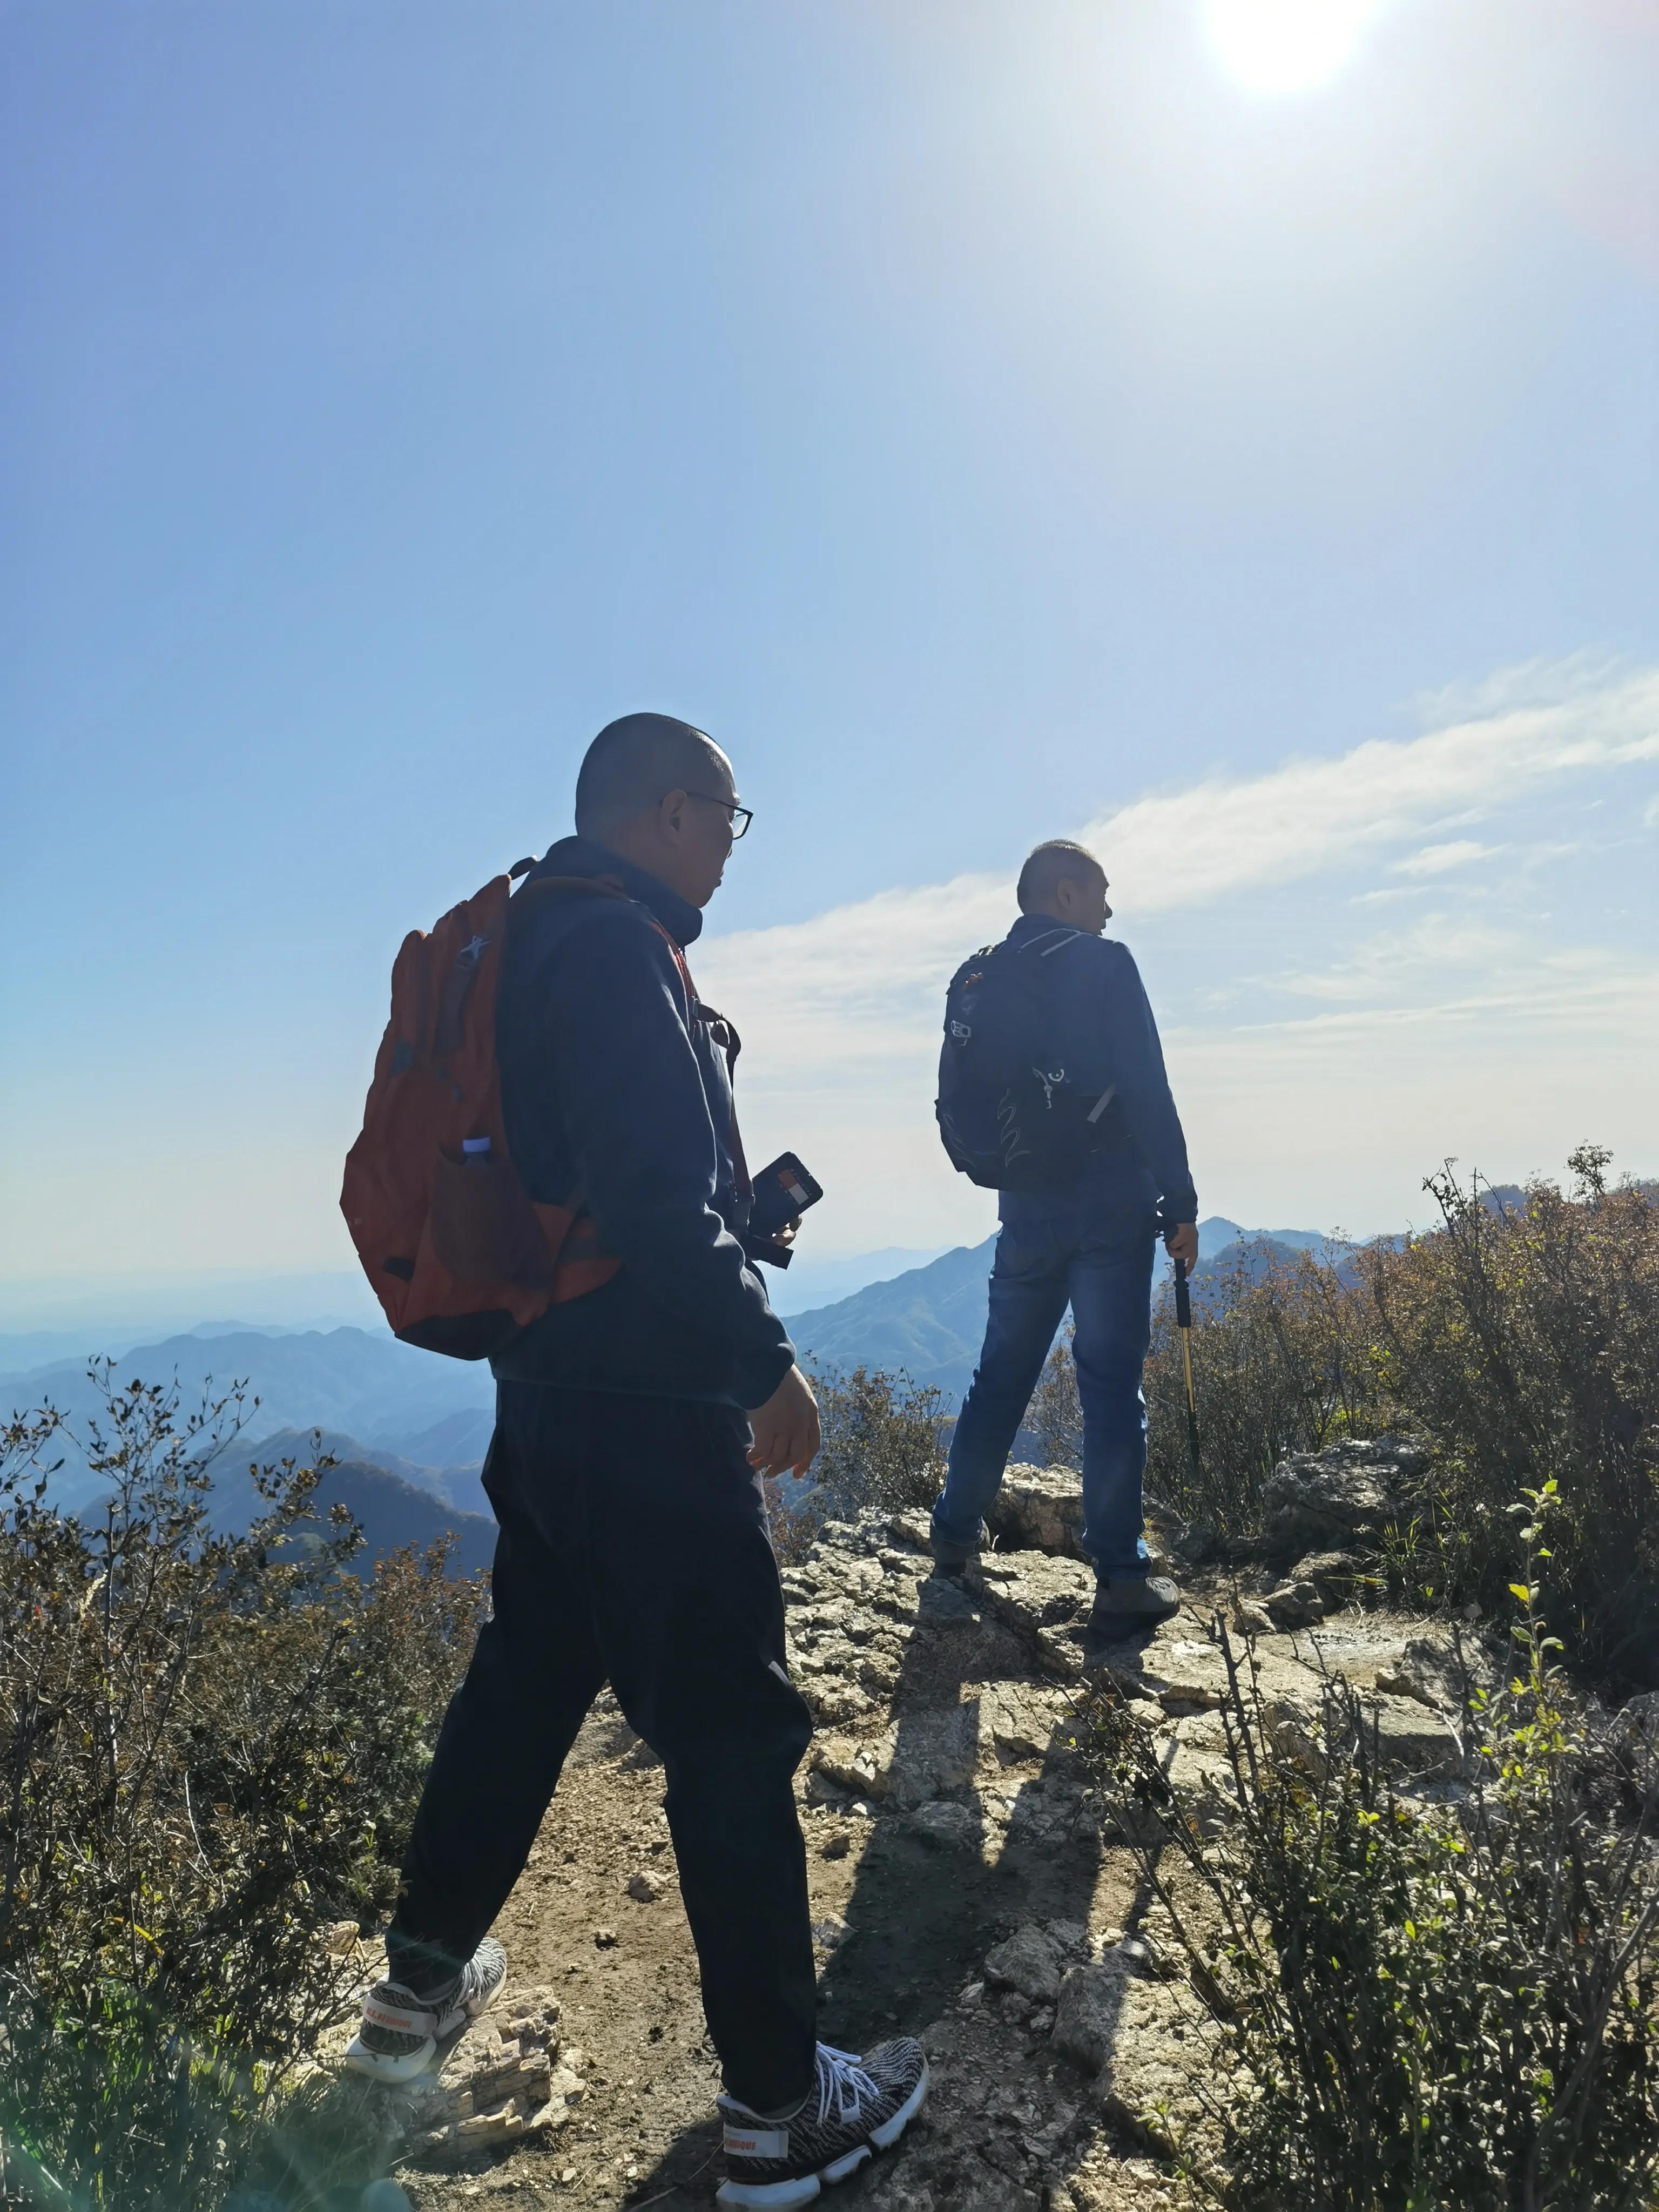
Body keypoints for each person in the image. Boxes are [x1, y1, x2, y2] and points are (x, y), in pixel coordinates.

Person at [347, 714, 927, 2207]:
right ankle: (780, 2114)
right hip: (650, 1410)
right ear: (672, 812)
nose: (735, 848)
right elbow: (659, 1209)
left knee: (526, 1685)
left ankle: (412, 2005)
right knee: (731, 1735)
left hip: (545, 1395)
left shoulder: (536, 934)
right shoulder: (615, 954)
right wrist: (763, 1363)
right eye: (731, 820)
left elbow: (613, 1196)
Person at [930, 838, 1199, 1638]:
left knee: (1001, 1374)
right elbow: (1148, 1086)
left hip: (1023, 1208)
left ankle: (952, 1535)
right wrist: (1179, 1198)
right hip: (1111, 1209)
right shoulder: (1106, 966)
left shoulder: (980, 974)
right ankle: (1120, 1573)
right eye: (1101, 892)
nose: (1110, 909)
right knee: (1111, 1388)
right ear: (1067, 893)